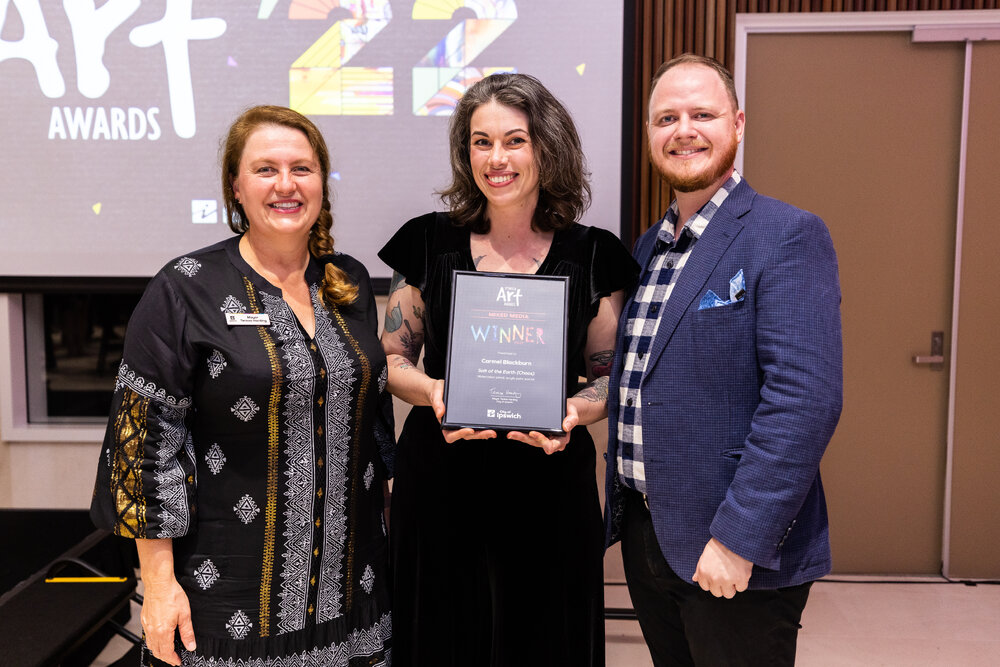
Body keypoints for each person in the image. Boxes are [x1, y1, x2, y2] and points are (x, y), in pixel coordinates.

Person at [90, 105, 393, 666]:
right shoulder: (185, 290)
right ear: (235, 186)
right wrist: (156, 585)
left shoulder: (347, 281)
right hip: (225, 598)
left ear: (323, 182)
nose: (286, 185)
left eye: (301, 168)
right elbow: (143, 448)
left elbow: (370, 430)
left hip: (352, 594)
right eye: (265, 169)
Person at [378, 72, 638, 666]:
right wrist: (437, 392)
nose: (496, 158)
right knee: (442, 639)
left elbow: (608, 374)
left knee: (545, 639)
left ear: (546, 146)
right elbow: (392, 360)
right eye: (480, 141)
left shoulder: (593, 254)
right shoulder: (427, 242)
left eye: (514, 140)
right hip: (441, 474)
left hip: (548, 481)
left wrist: (574, 411)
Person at [603, 54, 843, 666]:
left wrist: (739, 538)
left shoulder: (786, 234)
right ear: (650, 135)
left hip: (732, 548)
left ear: (738, 123)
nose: (683, 130)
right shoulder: (650, 247)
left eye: (702, 114)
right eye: (666, 118)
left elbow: (804, 400)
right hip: (650, 534)